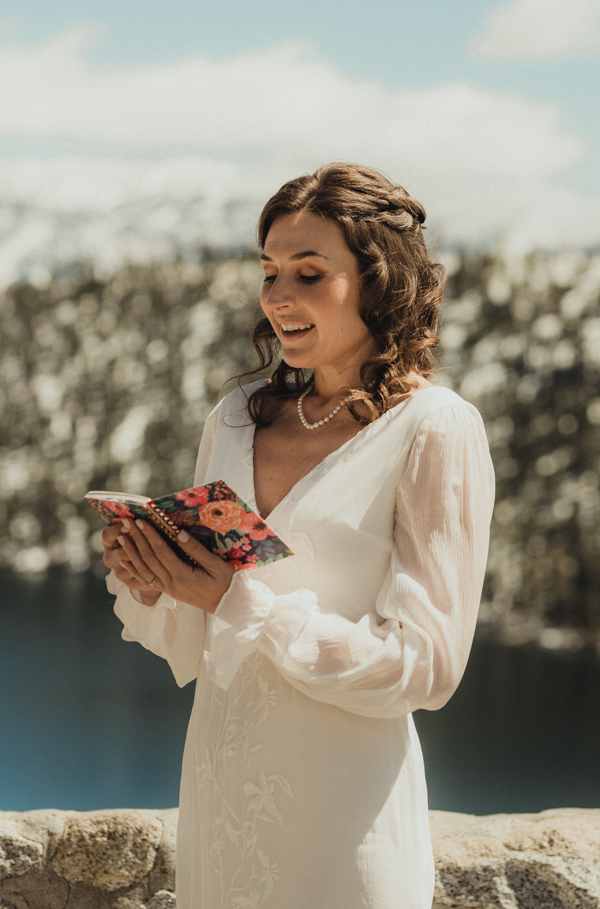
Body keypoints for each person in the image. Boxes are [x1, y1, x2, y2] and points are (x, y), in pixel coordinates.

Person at [102, 163, 495, 909]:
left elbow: (427, 668)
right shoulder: (235, 417)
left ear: (378, 283)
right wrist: (158, 582)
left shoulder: (434, 428)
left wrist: (241, 602)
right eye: (270, 272)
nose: (279, 297)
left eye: (309, 274)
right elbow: (201, 638)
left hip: (344, 826)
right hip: (218, 799)